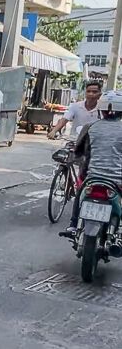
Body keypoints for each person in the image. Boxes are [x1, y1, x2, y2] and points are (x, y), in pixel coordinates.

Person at [59, 91, 122, 238]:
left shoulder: (90, 127)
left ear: (101, 109)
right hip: (118, 181)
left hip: (92, 178)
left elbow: (79, 151)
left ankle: (73, 225)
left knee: (80, 192)